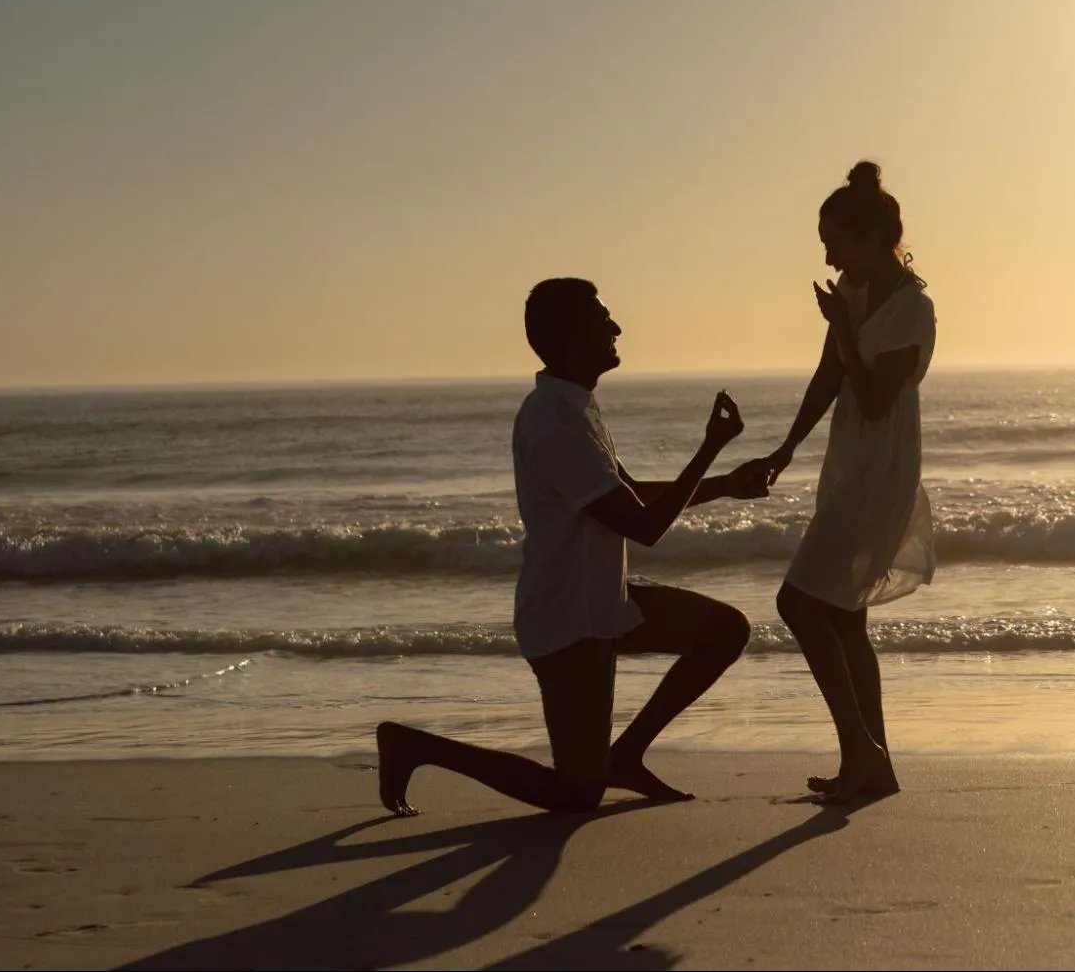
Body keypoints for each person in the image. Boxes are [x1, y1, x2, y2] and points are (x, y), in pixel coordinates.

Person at [377, 278, 767, 815]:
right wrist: (709, 448)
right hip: (567, 619)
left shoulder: (577, 406)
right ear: (569, 338)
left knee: (725, 630)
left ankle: (626, 756)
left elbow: (632, 497)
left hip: (606, 600)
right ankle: (415, 746)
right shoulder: (555, 422)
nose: (616, 328)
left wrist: (725, 484)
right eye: (601, 320)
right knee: (576, 793)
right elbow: (645, 525)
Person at [755, 161, 938, 802]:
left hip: (880, 472)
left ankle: (864, 752)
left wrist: (840, 326)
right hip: (849, 466)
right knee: (844, 618)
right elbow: (830, 379)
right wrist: (786, 448)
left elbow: (876, 397)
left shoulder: (913, 308)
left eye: (833, 241)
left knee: (799, 603)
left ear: (867, 239)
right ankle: (872, 766)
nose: (827, 255)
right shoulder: (856, 296)